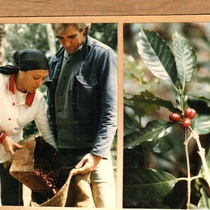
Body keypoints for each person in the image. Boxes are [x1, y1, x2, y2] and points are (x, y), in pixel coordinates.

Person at [46, 23, 117, 208]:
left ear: (84, 30)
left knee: (104, 204)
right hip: (63, 154)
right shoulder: (55, 60)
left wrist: (97, 154)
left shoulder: (103, 55)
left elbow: (110, 111)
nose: (66, 44)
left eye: (71, 37)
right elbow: (51, 110)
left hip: (93, 153)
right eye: (60, 39)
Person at [0, 49, 57, 206]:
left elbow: (46, 132)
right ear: (20, 71)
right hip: (4, 143)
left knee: (13, 202)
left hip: (11, 157)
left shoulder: (38, 100)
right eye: (35, 77)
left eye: (43, 79)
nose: (39, 83)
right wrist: (2, 138)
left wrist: (55, 158)